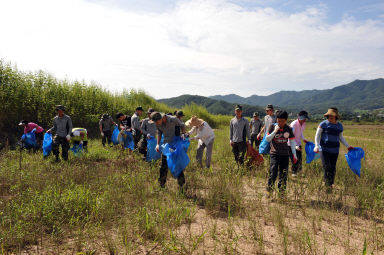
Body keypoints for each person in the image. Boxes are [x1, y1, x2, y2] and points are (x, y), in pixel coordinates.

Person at [314, 108, 354, 192]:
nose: (330, 117)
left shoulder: (339, 126)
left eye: (332, 115)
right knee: (326, 166)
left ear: (336, 116)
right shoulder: (323, 124)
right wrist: (316, 146)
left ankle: (331, 183)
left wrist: (348, 146)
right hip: (324, 149)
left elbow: (340, 137)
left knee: (332, 167)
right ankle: (327, 184)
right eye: (329, 116)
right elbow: (317, 135)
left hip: (335, 150)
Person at [151, 112, 186, 189]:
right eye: (155, 122)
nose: (156, 124)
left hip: (175, 145)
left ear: (161, 118)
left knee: (177, 165)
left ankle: (181, 186)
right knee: (164, 166)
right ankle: (162, 185)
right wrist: (157, 144)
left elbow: (182, 125)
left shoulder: (173, 119)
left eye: (157, 122)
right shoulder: (158, 123)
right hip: (166, 145)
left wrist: (183, 134)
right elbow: (159, 133)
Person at [265, 110, 297, 196]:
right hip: (274, 154)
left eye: (282, 121)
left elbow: (292, 142)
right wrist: (275, 131)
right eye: (278, 121)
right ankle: (269, 191)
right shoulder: (272, 127)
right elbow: (268, 139)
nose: (280, 123)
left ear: (286, 120)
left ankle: (281, 193)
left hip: (285, 155)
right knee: (273, 173)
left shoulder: (289, 129)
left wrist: (294, 154)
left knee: (283, 175)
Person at [289, 111, 310, 177]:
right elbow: (290, 136)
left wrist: (304, 139)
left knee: (299, 158)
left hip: (298, 143)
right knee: (294, 158)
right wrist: (295, 146)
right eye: (304, 119)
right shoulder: (294, 124)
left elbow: (301, 133)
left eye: (305, 119)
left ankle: (299, 171)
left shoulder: (303, 124)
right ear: (300, 118)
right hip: (291, 144)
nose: (305, 120)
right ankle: (294, 172)